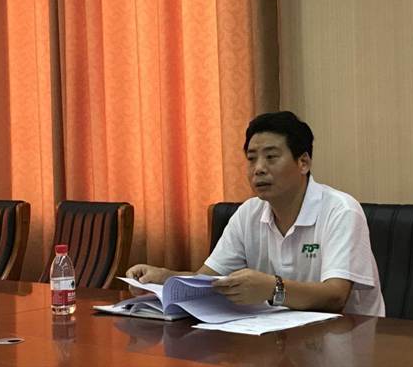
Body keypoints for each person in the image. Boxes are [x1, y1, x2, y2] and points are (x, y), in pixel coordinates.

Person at [127, 111, 385, 316]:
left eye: (271, 157)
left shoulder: (340, 211)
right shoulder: (248, 213)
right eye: (251, 159)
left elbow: (336, 296)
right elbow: (207, 281)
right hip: (279, 339)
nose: (258, 168)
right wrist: (164, 276)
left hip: (349, 341)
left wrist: (273, 288)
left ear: (303, 162)